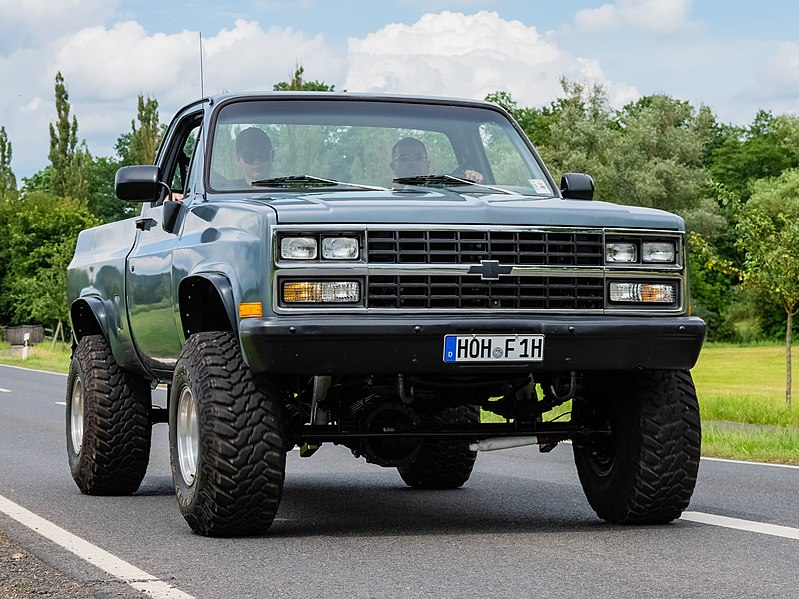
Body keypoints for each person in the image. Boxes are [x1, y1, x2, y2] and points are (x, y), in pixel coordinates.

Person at [390, 137, 484, 183]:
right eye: (404, 158)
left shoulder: (449, 196)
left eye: (419, 157)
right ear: (393, 166)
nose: (412, 163)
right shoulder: (383, 199)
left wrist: (473, 180)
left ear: (428, 164)